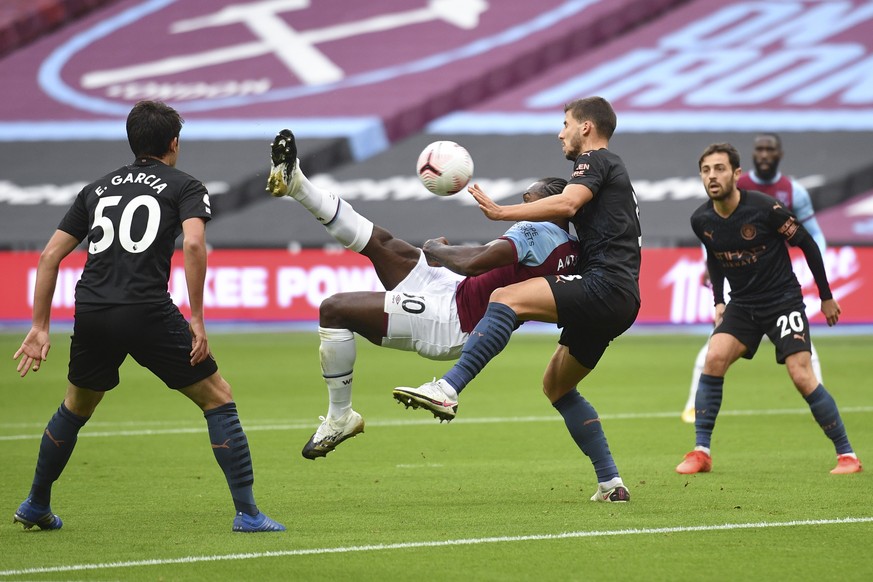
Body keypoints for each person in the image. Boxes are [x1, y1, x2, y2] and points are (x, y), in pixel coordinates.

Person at [11, 100, 285, 532]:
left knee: (76, 406)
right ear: (174, 143)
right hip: (146, 309)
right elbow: (193, 246)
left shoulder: (97, 188)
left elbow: (49, 257)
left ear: (132, 140)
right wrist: (197, 319)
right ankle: (248, 514)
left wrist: (39, 327)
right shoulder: (185, 186)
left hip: (94, 309)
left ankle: (35, 504)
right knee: (218, 397)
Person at [266, 130, 579, 459]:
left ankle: (339, 417)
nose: (521, 206)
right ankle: (297, 183)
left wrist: (436, 250)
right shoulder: (570, 248)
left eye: (528, 200)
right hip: (453, 291)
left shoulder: (536, 229)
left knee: (334, 309)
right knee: (381, 243)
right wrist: (446, 258)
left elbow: (472, 263)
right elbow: (482, 261)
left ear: (550, 204)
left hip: (451, 320)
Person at [391, 96, 642, 503]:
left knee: (506, 297)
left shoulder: (596, 161)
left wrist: (502, 212)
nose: (560, 132)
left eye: (565, 123)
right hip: (621, 297)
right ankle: (611, 483)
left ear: (586, 128)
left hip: (606, 285)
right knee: (557, 387)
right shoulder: (615, 175)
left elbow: (567, 202)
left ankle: (448, 389)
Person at [675, 142, 862, 475]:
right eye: (706, 170)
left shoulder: (766, 209)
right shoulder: (700, 219)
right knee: (713, 358)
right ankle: (701, 452)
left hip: (782, 301)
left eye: (719, 169)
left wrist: (826, 295)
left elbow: (807, 244)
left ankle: (847, 455)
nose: (712, 176)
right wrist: (719, 300)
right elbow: (714, 257)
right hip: (743, 305)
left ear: (736, 174)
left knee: (801, 375)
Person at [681, 133, 828, 423]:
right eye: (759, 149)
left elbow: (813, 237)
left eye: (769, 149)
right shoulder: (734, 187)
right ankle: (693, 411)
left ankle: (822, 404)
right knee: (713, 353)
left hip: (779, 287)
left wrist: (817, 277)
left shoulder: (792, 191)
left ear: (779, 154)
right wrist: (714, 280)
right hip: (744, 295)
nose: (763, 154)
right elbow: (713, 236)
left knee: (803, 360)